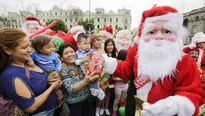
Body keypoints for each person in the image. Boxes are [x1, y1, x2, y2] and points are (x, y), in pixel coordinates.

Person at [102, 6, 205, 116]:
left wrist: (172, 106)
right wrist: (107, 62)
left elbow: (192, 93)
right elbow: (127, 70)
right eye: (151, 32)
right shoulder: (136, 52)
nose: (159, 36)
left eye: (166, 31)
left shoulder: (184, 60)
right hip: (135, 108)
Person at [0, 27, 61, 116]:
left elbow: (36, 83)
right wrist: (52, 87)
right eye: (24, 47)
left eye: (29, 45)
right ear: (8, 50)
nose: (30, 50)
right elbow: (31, 106)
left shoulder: (28, 62)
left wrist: (50, 79)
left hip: (51, 109)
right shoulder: (9, 75)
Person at [58, 43, 99, 116]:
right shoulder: (62, 68)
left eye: (72, 51)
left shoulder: (80, 63)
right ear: (61, 57)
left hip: (88, 99)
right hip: (74, 104)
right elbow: (71, 89)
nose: (70, 54)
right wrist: (85, 81)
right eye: (66, 53)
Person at [75, 32, 105, 100]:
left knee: (96, 78)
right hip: (83, 73)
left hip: (93, 69)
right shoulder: (77, 53)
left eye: (89, 43)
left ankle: (96, 89)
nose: (88, 45)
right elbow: (75, 62)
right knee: (89, 80)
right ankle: (93, 90)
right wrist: (82, 60)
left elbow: (98, 57)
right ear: (79, 45)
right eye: (85, 43)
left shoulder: (91, 51)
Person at [112, 49, 128, 116]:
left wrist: (125, 79)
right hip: (118, 86)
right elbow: (112, 78)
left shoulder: (127, 65)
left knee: (123, 99)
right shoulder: (115, 64)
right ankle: (114, 110)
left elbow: (127, 78)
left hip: (125, 85)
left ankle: (121, 110)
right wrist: (120, 79)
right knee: (117, 99)